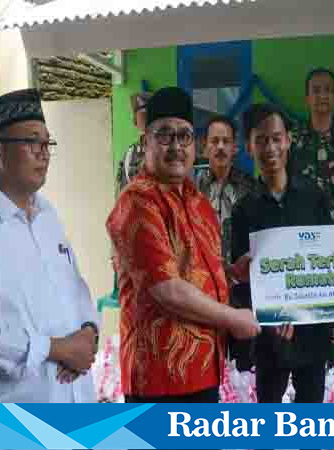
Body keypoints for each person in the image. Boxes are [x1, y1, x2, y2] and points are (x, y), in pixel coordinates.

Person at [106, 87, 260, 404]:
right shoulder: (137, 203)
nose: (176, 145)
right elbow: (167, 290)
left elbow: (191, 275)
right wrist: (234, 318)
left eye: (184, 136)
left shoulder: (198, 203)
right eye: (164, 135)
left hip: (203, 371)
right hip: (160, 379)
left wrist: (229, 274)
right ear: (145, 142)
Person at [0, 88, 98, 402]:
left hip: (76, 400)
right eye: (31, 141)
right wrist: (61, 350)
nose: (43, 152)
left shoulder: (48, 214)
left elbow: (76, 289)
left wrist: (88, 332)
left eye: (47, 142)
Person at [231, 103, 332, 403]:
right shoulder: (244, 211)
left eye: (276, 138)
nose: (270, 147)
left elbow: (330, 263)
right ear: (249, 147)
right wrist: (270, 316)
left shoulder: (314, 197)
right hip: (269, 338)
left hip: (312, 334)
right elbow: (242, 282)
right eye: (261, 140)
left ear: (288, 140)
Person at [289, 67, 334, 364]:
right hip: (301, 244)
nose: (321, 95)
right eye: (315, 90)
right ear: (307, 97)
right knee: (306, 314)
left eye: (327, 89)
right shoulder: (292, 140)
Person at [195, 115, 256, 265]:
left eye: (226, 141)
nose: (220, 147)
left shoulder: (251, 188)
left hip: (241, 277)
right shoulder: (193, 188)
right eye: (215, 141)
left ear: (235, 147)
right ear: (205, 146)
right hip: (205, 276)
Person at [116, 92, 150, 195]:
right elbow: (123, 191)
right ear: (135, 121)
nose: (145, 118)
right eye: (142, 114)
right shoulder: (130, 154)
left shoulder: (167, 149)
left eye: (148, 113)